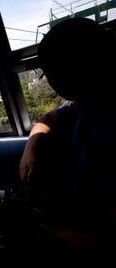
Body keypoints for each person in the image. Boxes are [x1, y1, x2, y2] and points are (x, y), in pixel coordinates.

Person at [18, 17, 116, 251]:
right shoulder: (86, 102)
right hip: (70, 213)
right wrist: (30, 147)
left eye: (51, 72)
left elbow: (105, 240)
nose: (50, 82)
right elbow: (48, 118)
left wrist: (34, 225)